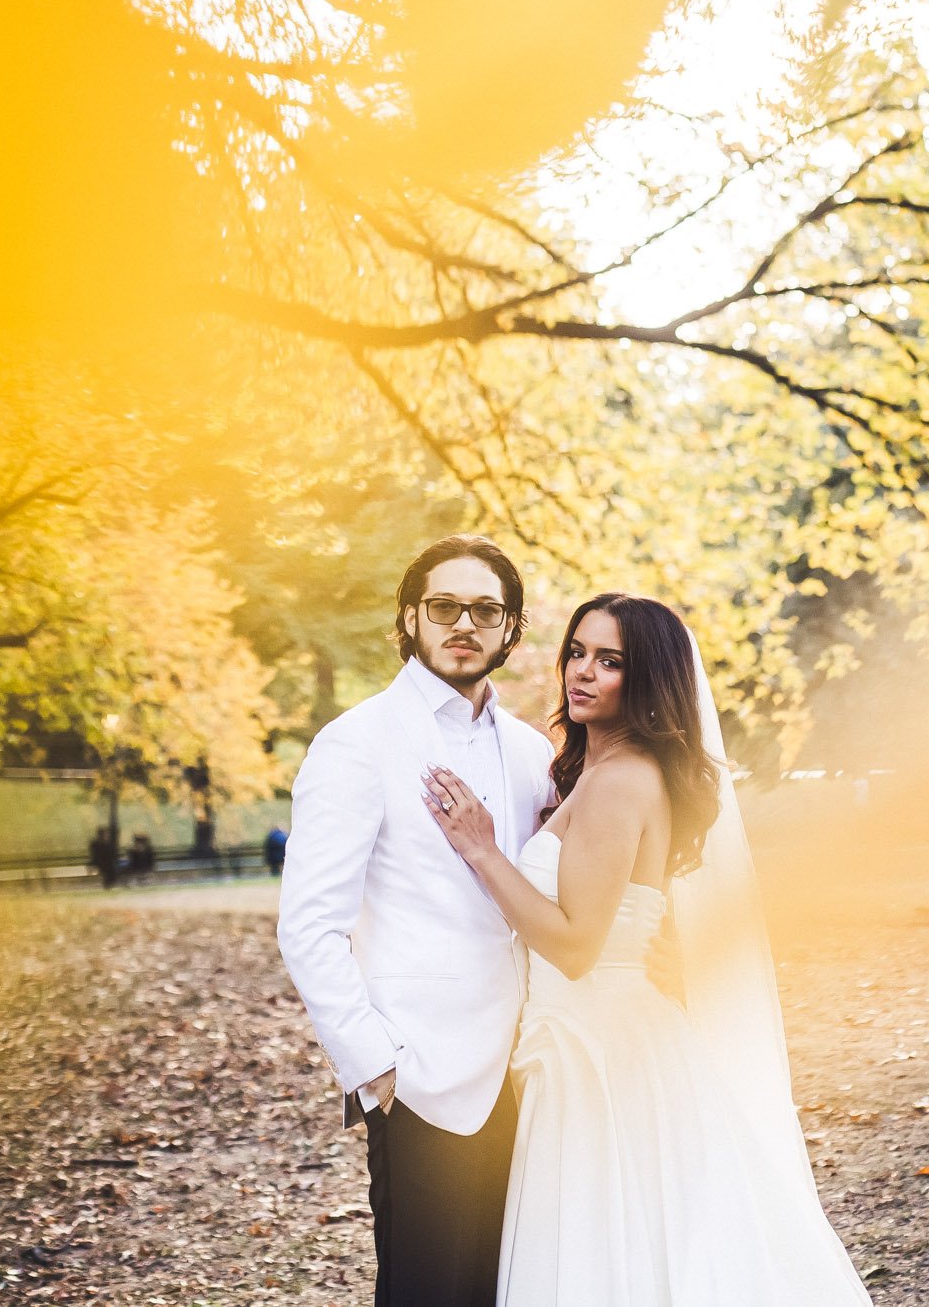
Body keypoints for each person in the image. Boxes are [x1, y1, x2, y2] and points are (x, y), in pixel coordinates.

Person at [422, 593, 872, 1306]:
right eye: (577, 652)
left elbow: (574, 944)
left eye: (610, 661)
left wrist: (482, 849)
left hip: (602, 1050)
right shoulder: (600, 774)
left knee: (606, 1247)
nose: (583, 672)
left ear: (649, 679)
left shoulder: (621, 781)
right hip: (604, 1032)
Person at [277, 535, 554, 1307]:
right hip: (421, 1070)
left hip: (530, 1068)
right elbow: (308, 924)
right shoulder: (355, 743)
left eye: (486, 609)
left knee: (505, 1285)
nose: (463, 622)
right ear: (410, 618)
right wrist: (375, 1064)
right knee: (428, 1292)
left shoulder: (534, 751)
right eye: (443, 606)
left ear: (511, 628)